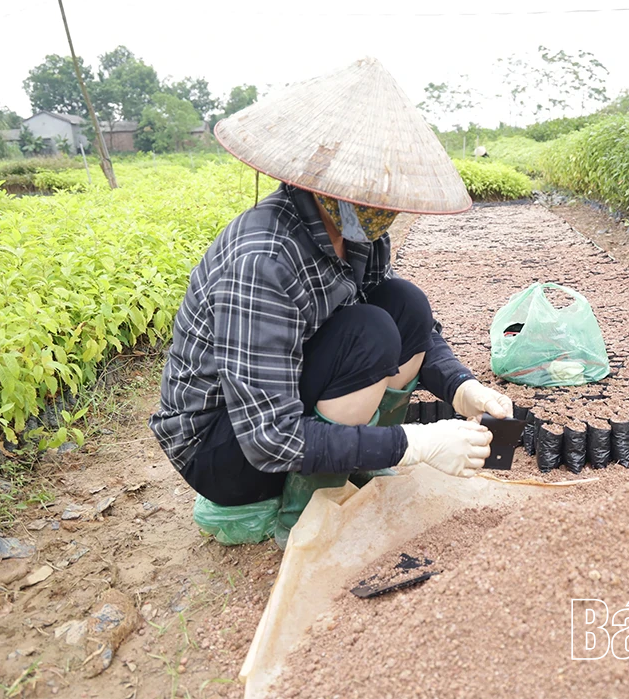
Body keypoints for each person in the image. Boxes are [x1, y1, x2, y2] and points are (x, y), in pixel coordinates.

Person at [148, 58, 513, 545]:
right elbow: (267, 436)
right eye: (372, 186)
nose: (384, 203)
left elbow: (415, 332)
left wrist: (463, 388)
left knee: (404, 306)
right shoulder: (264, 261)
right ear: (326, 178)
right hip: (224, 445)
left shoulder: (359, 233)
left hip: (277, 407)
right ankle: (305, 506)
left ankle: (354, 462)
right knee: (370, 334)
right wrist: (414, 443)